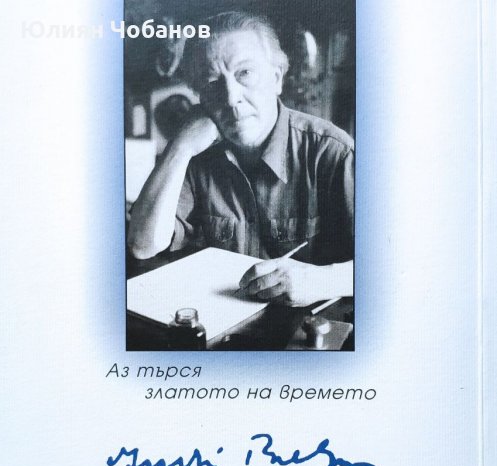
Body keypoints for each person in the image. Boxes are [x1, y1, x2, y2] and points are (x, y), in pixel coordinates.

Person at [128, 11, 354, 307]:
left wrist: (324, 280)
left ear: (276, 78)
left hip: (311, 329)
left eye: (244, 73)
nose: (230, 97)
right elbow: (143, 246)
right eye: (212, 83)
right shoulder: (195, 155)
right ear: (200, 98)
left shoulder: (332, 152)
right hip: (220, 325)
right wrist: (179, 147)